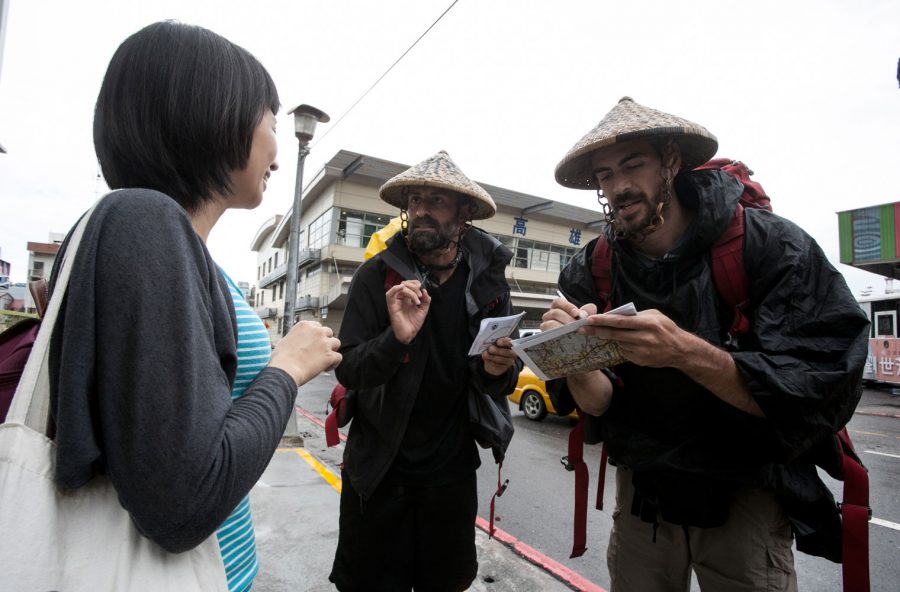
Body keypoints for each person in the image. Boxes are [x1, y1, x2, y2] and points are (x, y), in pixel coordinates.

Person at [48, 21, 341, 592]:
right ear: (215, 114)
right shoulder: (146, 224)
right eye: (272, 123)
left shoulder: (172, 246)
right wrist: (287, 368)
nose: (277, 152)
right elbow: (183, 501)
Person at [545, 97, 869, 591]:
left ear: (671, 162)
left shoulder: (769, 246)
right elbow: (598, 403)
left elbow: (816, 387)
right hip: (643, 495)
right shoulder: (594, 267)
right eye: (605, 175)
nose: (618, 186)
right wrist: (573, 356)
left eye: (633, 165)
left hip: (747, 493)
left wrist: (684, 352)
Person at [329, 151, 521, 592]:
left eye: (436, 200)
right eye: (415, 200)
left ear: (464, 214)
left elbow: (497, 380)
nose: (421, 211)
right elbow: (350, 370)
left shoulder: (488, 284)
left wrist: (497, 369)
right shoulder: (376, 276)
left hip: (450, 477)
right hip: (378, 474)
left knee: (445, 583)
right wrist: (395, 339)